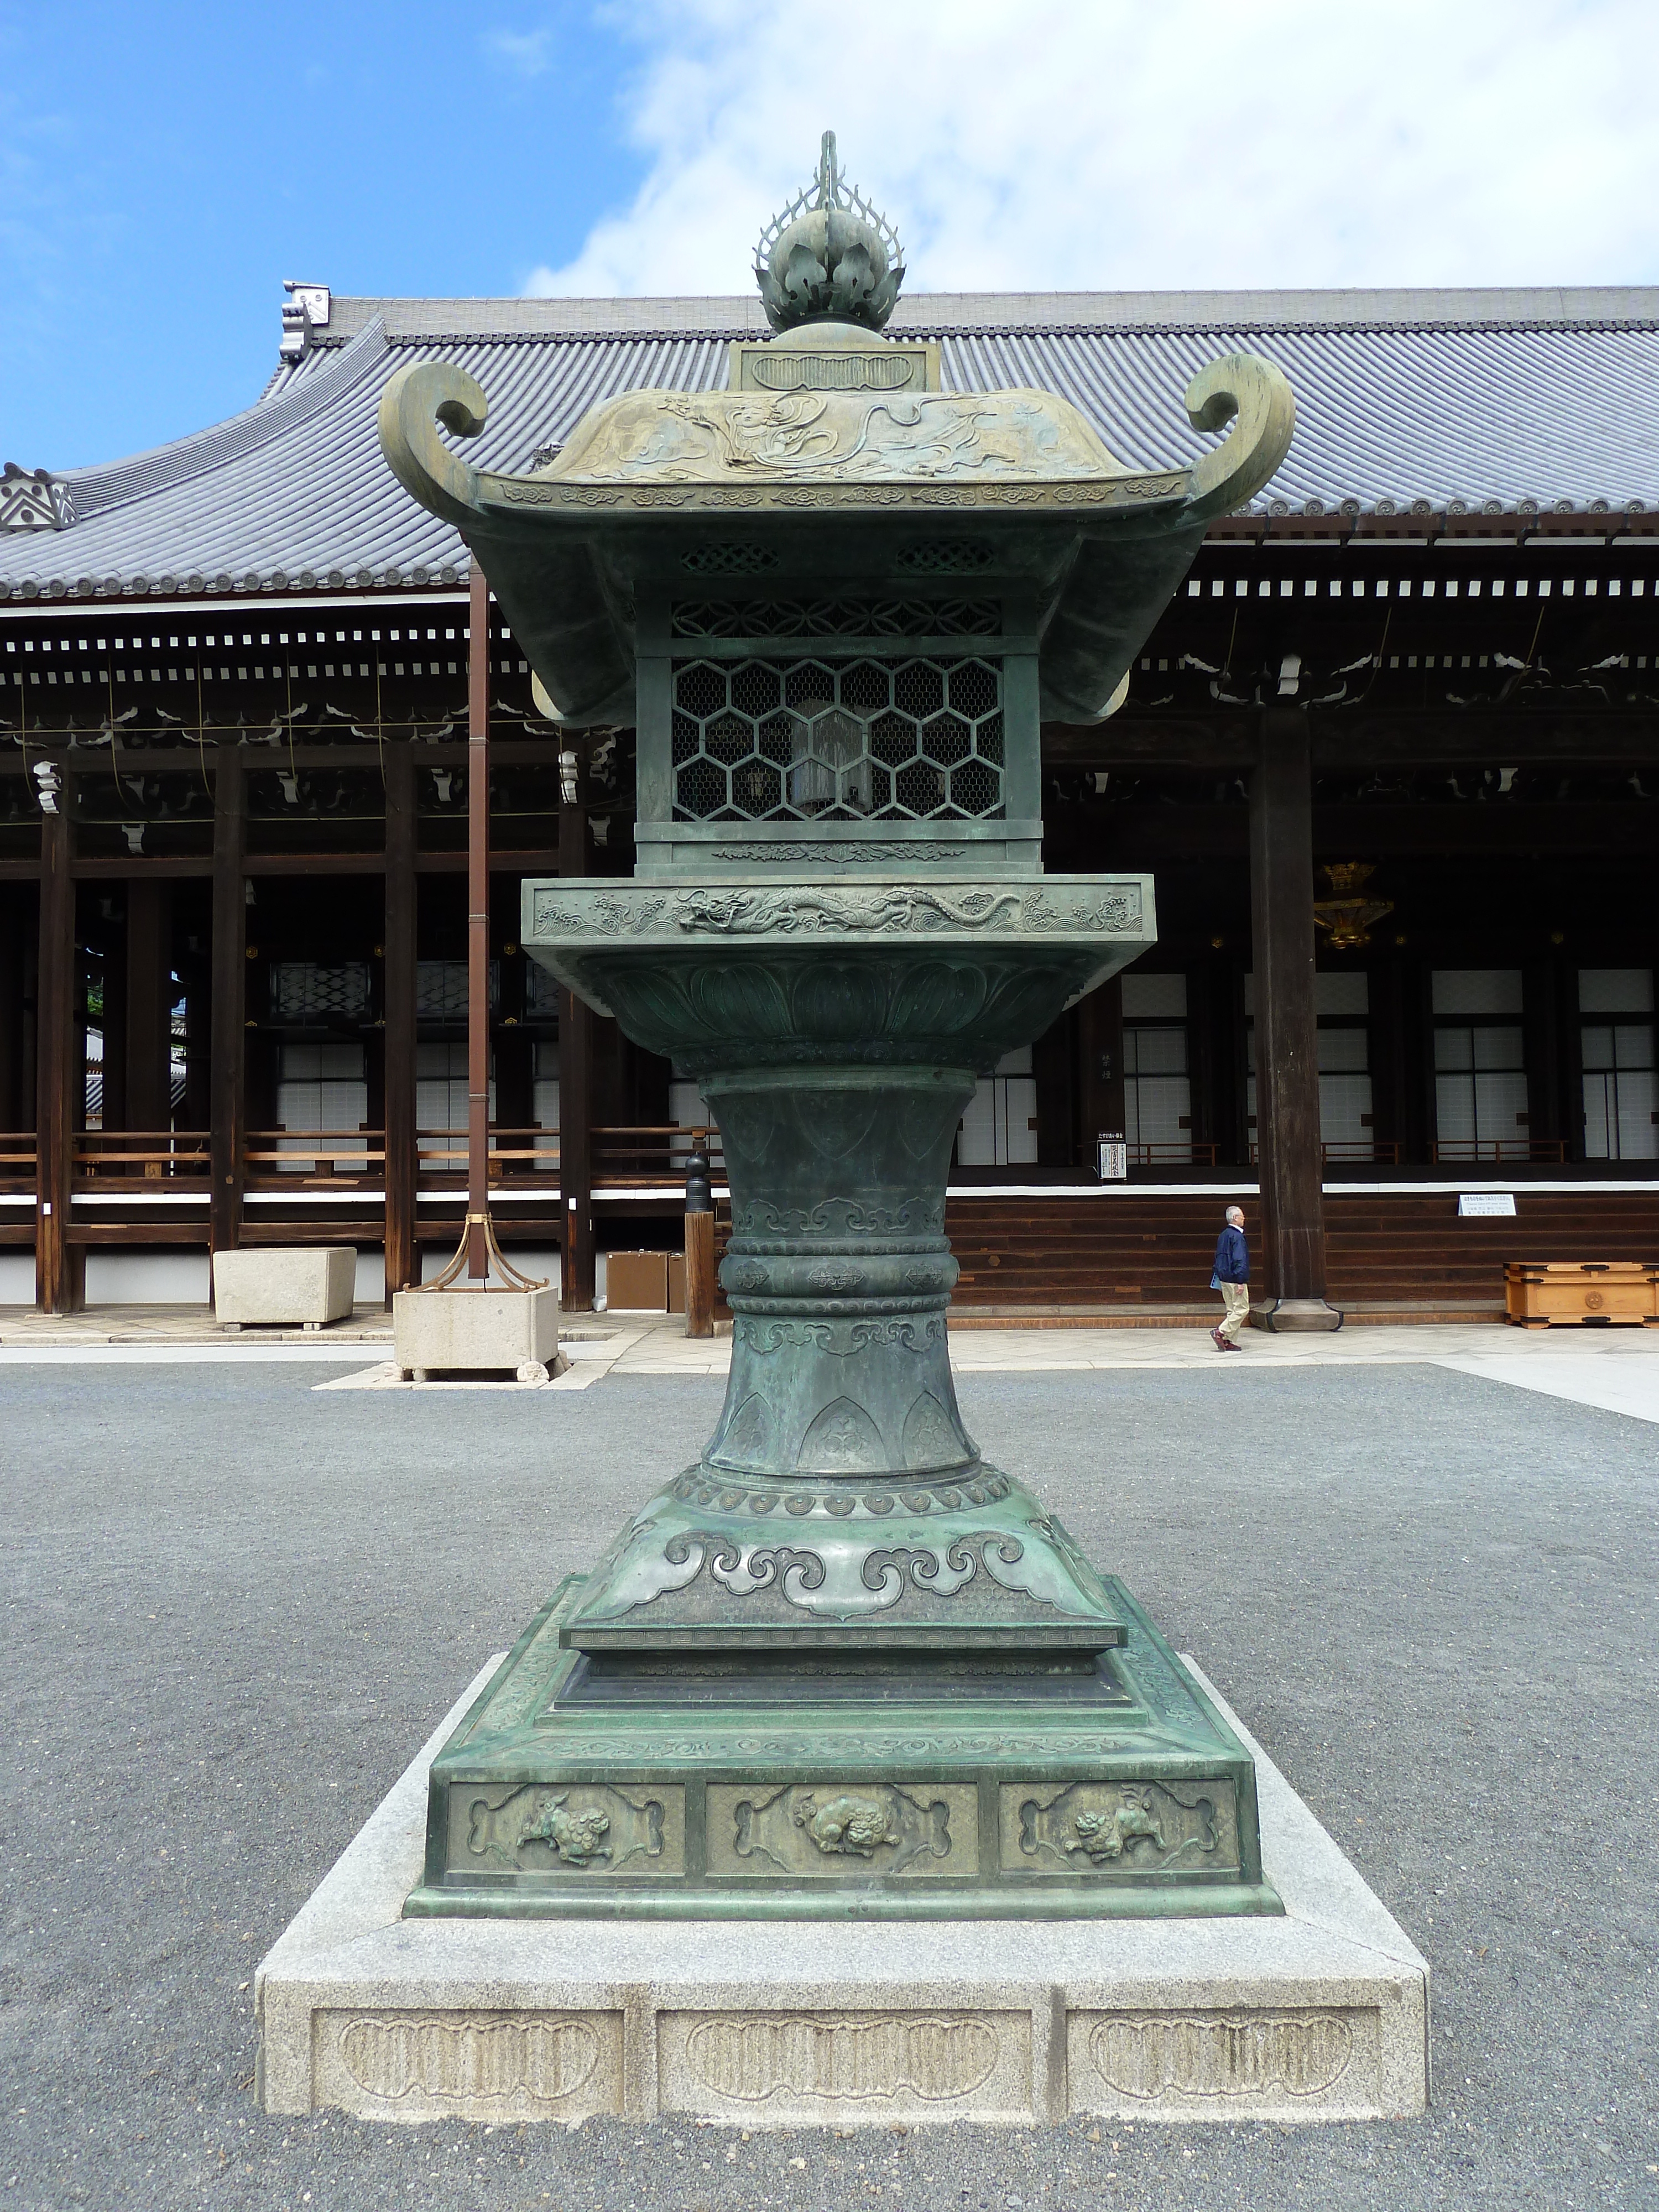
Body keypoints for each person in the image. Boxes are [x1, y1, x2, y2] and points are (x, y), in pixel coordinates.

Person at [1211, 1205, 1249, 1350]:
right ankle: (1221, 1332)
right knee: (1242, 1309)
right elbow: (1240, 1259)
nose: (1244, 1218)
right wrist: (1241, 1280)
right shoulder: (1237, 1237)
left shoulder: (1224, 1235)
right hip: (1235, 1278)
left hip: (1224, 1278)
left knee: (1232, 1310)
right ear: (1235, 1218)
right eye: (1242, 1216)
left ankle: (1229, 1341)